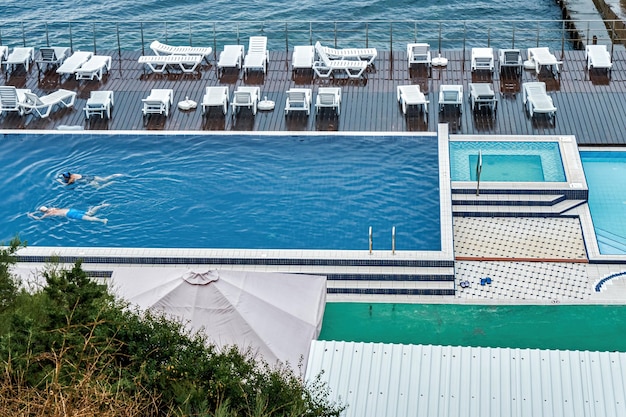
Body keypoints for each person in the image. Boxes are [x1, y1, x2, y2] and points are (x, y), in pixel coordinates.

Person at [28, 203, 109, 224]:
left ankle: (102, 220)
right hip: (71, 210)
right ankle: (101, 206)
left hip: (70, 215)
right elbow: (59, 210)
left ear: (43, 212)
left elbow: (39, 219)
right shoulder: (53, 208)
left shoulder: (48, 214)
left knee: (89, 219)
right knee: (89, 213)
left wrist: (31, 215)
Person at [58, 171, 123, 187]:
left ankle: (110, 183)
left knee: (99, 187)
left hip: (89, 181)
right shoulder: (74, 174)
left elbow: (66, 185)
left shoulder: (71, 179)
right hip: (91, 177)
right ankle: (114, 175)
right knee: (104, 179)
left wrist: (60, 181)